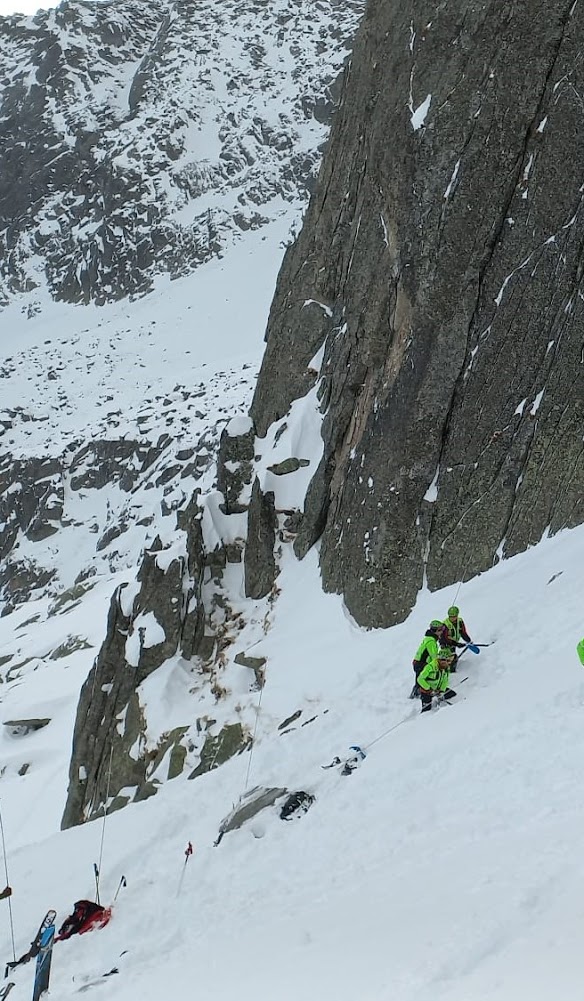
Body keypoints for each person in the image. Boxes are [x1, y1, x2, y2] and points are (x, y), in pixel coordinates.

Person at [410, 620, 449, 697]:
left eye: (442, 629)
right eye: (440, 630)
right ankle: (419, 694)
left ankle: (417, 694)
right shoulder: (431, 641)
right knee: (421, 680)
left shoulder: (430, 639)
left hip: (418, 663)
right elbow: (434, 657)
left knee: (419, 680)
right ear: (435, 631)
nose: (442, 632)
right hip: (421, 664)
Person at [417, 649, 457, 713]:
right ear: (442, 660)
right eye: (448, 661)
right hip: (427, 691)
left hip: (437, 690)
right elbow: (420, 679)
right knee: (426, 710)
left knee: (452, 694)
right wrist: (429, 689)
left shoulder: (446, 668)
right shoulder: (430, 667)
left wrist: (442, 691)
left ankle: (439, 698)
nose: (449, 663)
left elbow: (445, 680)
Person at [441, 605, 473, 671]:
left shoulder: (460, 622)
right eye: (450, 616)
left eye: (454, 616)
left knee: (452, 657)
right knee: (450, 659)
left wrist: (468, 641)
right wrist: (456, 644)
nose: (452, 618)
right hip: (446, 644)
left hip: (454, 643)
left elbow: (463, 632)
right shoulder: (445, 624)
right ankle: (449, 672)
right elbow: (444, 638)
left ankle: (450, 669)